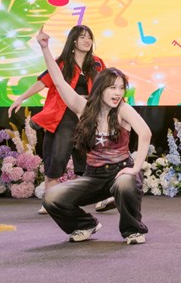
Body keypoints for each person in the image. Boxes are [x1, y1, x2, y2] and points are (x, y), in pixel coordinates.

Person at [35, 29, 151, 244]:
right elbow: (59, 82)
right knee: (51, 197)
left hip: (120, 172)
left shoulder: (123, 109)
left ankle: (133, 230)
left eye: (121, 88)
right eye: (112, 88)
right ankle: (84, 224)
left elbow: (145, 133)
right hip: (93, 177)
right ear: (100, 89)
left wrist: (135, 168)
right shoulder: (84, 108)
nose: (118, 93)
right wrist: (44, 48)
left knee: (126, 184)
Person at [10, 25, 105, 213]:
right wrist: (21, 98)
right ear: (73, 41)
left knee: (94, 157)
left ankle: (102, 198)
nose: (87, 41)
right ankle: (49, 201)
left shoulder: (97, 63)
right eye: (82, 37)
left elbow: (106, 84)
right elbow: (43, 82)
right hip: (64, 114)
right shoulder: (62, 63)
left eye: (89, 37)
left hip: (87, 115)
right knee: (57, 156)